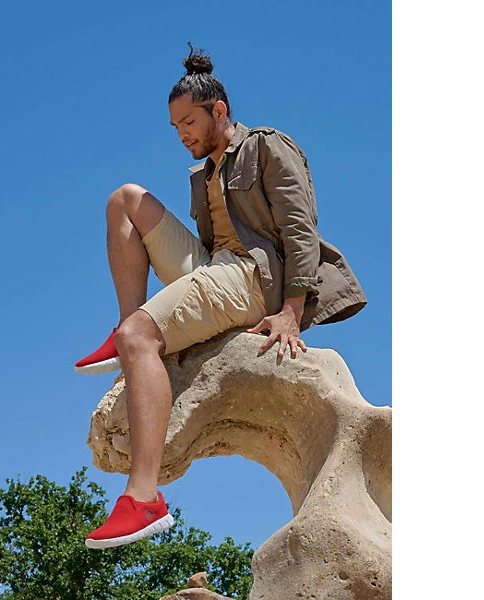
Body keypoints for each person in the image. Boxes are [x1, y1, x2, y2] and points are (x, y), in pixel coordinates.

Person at [77, 45, 367, 550]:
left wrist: (292, 311)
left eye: (189, 122)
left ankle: (144, 499)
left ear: (219, 110)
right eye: (175, 127)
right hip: (217, 266)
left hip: (253, 277)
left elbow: (300, 229)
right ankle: (129, 332)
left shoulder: (267, 147)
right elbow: (213, 251)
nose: (182, 134)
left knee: (141, 336)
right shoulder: (205, 173)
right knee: (125, 199)